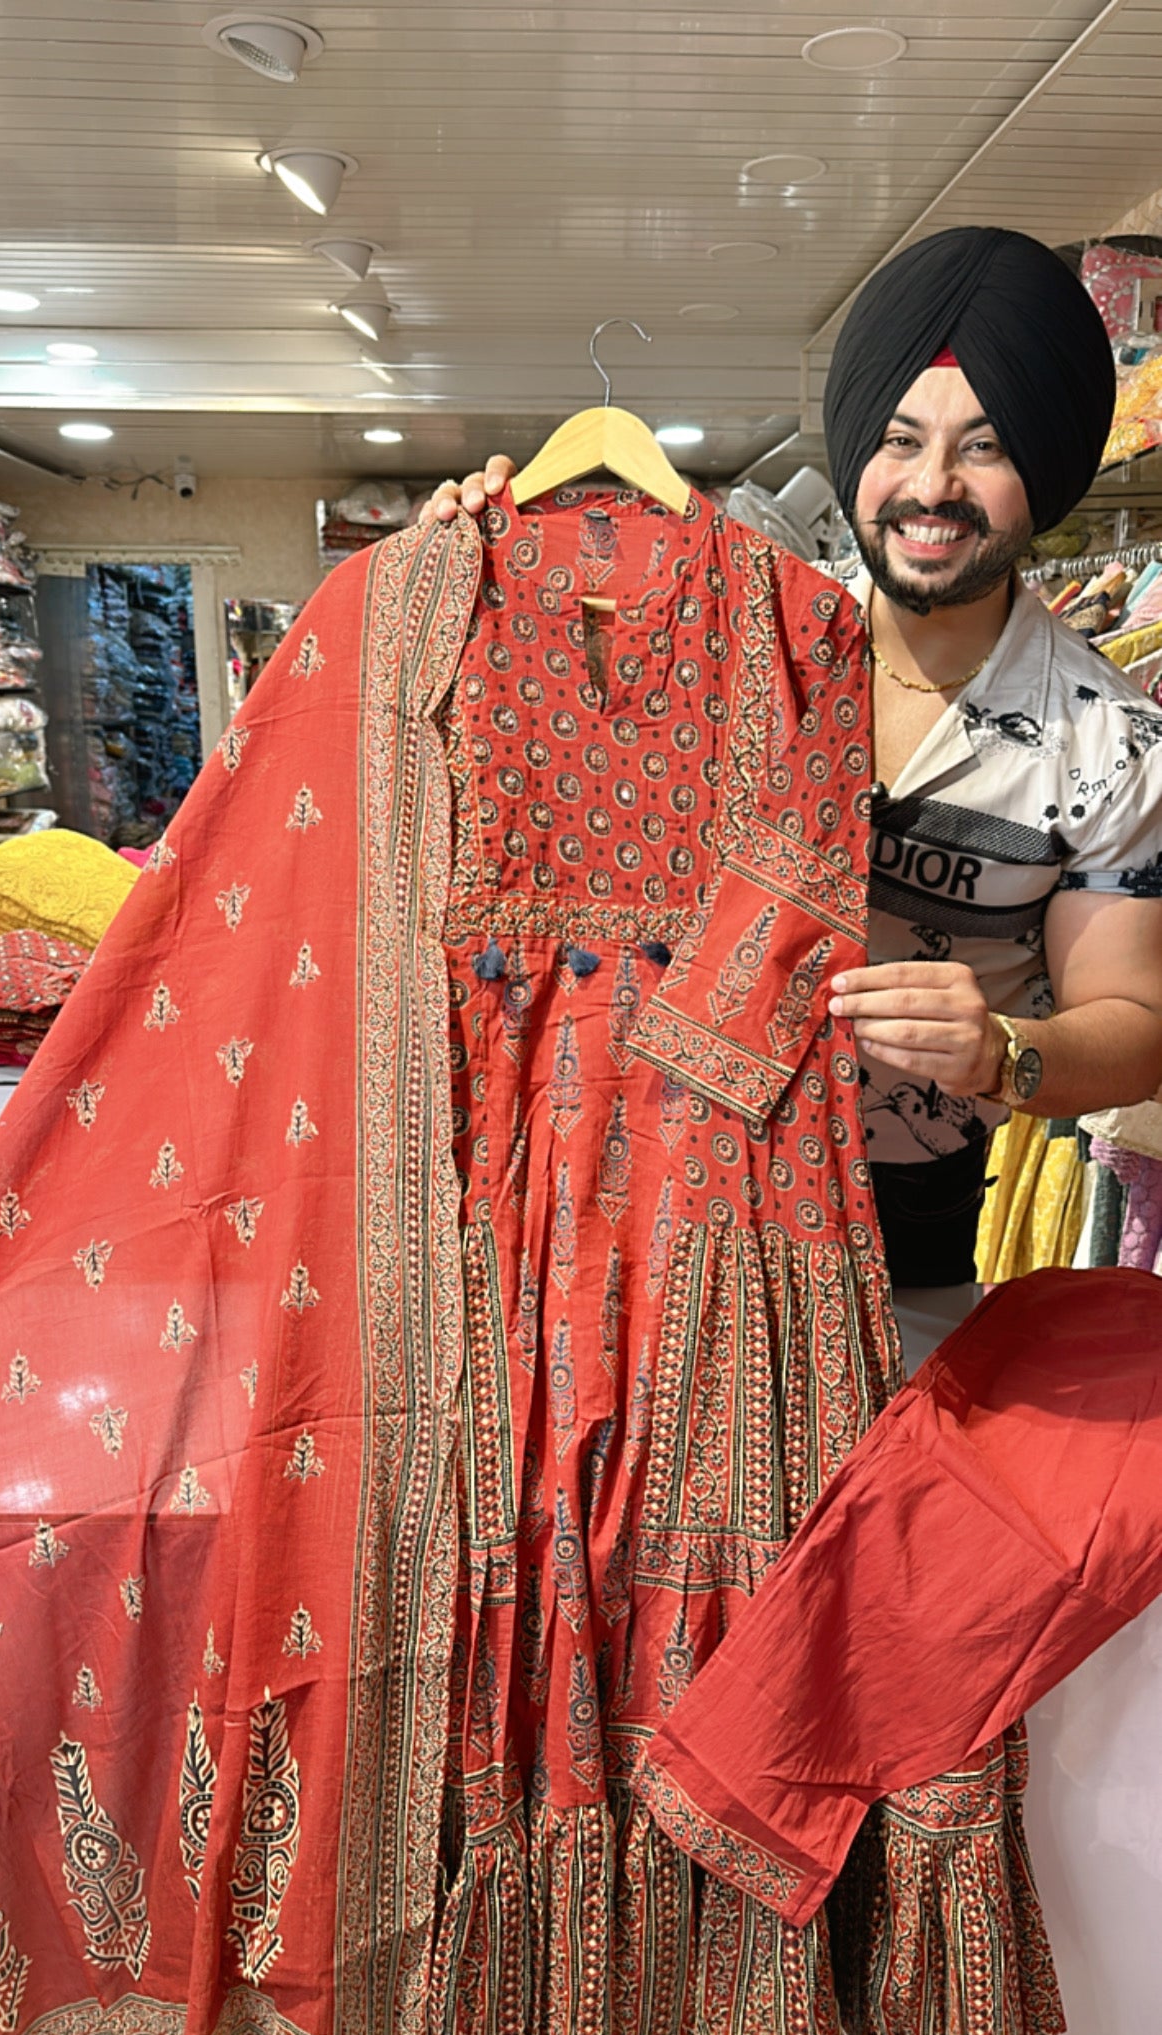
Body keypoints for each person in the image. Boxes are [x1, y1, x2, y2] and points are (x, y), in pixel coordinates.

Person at [424, 225, 1162, 1370]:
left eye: (985, 448)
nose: (931, 488)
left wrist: (1005, 1050)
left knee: (874, 1543)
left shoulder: (1112, 742)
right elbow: (532, 725)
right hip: (653, 1202)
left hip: (906, 1244)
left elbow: (1135, 1024)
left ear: (1050, 467)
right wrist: (469, 567)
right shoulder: (733, 637)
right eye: (901, 440)